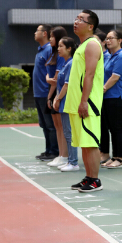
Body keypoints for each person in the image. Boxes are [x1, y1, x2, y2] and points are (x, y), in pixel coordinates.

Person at [64, 10, 105, 193]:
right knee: (84, 142)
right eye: (76, 18)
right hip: (77, 102)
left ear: (90, 26)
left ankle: (95, 180)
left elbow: (90, 75)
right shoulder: (82, 45)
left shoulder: (92, 45)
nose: (76, 21)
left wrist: (84, 101)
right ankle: (88, 177)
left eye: (81, 20)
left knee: (90, 142)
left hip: (88, 102)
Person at [100, 30, 122, 169]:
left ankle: (120, 158)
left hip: (116, 96)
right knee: (111, 128)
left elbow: (115, 77)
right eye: (107, 38)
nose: (108, 40)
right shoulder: (110, 56)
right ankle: (114, 156)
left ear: (119, 40)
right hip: (107, 97)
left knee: (116, 127)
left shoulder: (121, 56)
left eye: (111, 38)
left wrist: (103, 88)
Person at [52, 37, 79, 172]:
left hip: (68, 102)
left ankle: (73, 162)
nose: (58, 49)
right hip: (64, 102)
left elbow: (67, 85)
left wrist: (57, 99)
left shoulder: (71, 63)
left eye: (61, 46)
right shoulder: (65, 63)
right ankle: (70, 160)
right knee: (67, 132)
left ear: (69, 49)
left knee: (69, 133)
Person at [33, 24, 58, 161]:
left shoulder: (49, 49)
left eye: (37, 31)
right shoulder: (40, 50)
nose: (35, 33)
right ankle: (48, 150)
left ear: (44, 33)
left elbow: (52, 72)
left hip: (45, 92)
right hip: (38, 93)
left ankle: (54, 151)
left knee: (50, 124)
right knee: (44, 124)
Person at [45, 26, 69, 168]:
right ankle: (61, 154)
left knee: (61, 126)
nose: (50, 39)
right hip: (53, 91)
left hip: (57, 91)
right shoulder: (53, 54)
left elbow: (56, 79)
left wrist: (51, 96)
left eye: (52, 36)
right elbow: (50, 77)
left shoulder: (61, 57)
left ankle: (65, 155)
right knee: (57, 126)